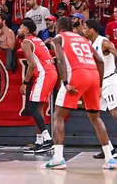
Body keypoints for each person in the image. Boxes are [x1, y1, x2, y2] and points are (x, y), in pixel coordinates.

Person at [41, 17, 117, 170]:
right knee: (95, 118)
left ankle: (58, 158)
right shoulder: (83, 39)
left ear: (58, 27)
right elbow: (100, 62)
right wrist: (100, 85)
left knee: (59, 115)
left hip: (77, 75)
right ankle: (110, 159)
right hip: (94, 75)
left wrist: (64, 82)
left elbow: (61, 60)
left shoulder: (59, 38)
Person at [18, 18, 57, 153]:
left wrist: (24, 83)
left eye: (21, 27)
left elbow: (32, 64)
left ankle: (48, 139)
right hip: (51, 72)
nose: (18, 30)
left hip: (44, 74)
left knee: (32, 108)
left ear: (26, 30)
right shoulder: (38, 40)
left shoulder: (26, 42)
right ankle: (39, 141)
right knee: (38, 109)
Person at [83, 19, 117, 159]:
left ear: (92, 30)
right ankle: (108, 148)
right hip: (98, 84)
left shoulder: (103, 42)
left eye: (85, 28)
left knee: (115, 113)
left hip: (109, 81)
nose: (83, 30)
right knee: (94, 116)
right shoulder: (89, 44)